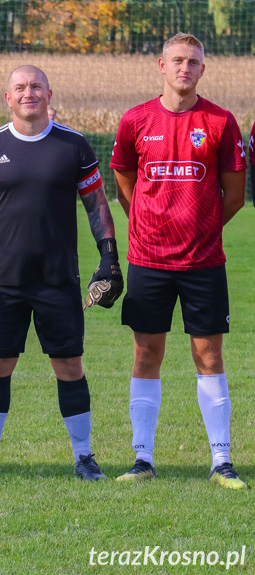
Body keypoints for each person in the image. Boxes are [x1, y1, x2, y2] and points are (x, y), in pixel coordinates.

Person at [0, 65, 121, 481]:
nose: (28, 93)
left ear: (50, 93)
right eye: (20, 88)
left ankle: (84, 457)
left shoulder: (74, 145)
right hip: (4, 279)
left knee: (69, 365)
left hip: (57, 278)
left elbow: (96, 203)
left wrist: (109, 256)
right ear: (7, 98)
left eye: (35, 86)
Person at [111, 33, 248, 489]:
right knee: (146, 353)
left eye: (193, 62)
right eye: (177, 60)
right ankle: (142, 459)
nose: (184, 68)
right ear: (161, 65)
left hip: (204, 261)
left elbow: (234, 196)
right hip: (148, 260)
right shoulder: (135, 120)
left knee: (208, 355)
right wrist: (149, 223)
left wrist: (201, 226)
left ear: (202, 70)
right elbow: (125, 183)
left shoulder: (221, 122)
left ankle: (221, 461)